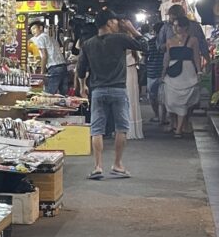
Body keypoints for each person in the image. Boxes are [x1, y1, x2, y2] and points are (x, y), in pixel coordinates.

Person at [75, 11, 147, 180]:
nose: (117, 23)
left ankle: (98, 166)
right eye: (115, 20)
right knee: (121, 128)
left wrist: (82, 85)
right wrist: (133, 29)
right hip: (118, 89)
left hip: (98, 90)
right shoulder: (120, 38)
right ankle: (117, 164)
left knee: (97, 129)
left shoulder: (88, 44)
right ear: (108, 23)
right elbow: (145, 46)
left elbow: (80, 69)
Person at [161, 15, 202, 138]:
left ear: (185, 27)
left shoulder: (193, 40)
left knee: (184, 100)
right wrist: (163, 72)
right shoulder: (169, 41)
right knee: (171, 99)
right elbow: (167, 57)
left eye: (178, 25)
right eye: (174, 26)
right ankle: (176, 124)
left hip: (187, 71)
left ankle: (179, 129)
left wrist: (199, 71)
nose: (175, 28)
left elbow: (196, 56)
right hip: (173, 72)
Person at [29, 19, 68, 95]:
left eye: (34, 28)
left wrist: (42, 73)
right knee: (63, 96)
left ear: (40, 28)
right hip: (63, 66)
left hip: (54, 68)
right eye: (31, 30)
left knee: (49, 94)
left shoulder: (40, 38)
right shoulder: (50, 37)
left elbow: (44, 56)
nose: (32, 31)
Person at [144, 21, 165, 124]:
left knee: (153, 96)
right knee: (164, 97)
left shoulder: (150, 42)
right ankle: (163, 117)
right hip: (163, 72)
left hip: (152, 71)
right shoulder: (166, 42)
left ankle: (157, 115)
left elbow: (145, 57)